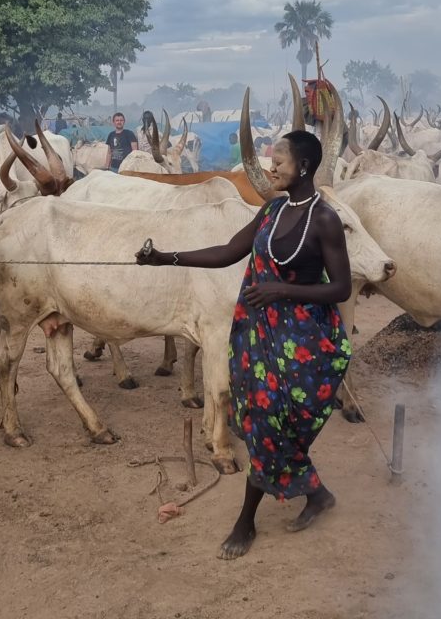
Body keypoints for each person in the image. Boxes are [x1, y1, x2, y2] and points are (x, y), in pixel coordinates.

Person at [136, 130, 354, 560]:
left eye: (281, 161)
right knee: (263, 422)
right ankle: (316, 496)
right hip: (260, 335)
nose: (272, 167)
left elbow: (343, 288)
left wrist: (280, 290)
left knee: (274, 427)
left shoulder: (324, 219)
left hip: (306, 345)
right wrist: (166, 258)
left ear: (304, 167)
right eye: (274, 160)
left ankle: (246, 522)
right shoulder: (273, 209)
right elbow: (229, 251)